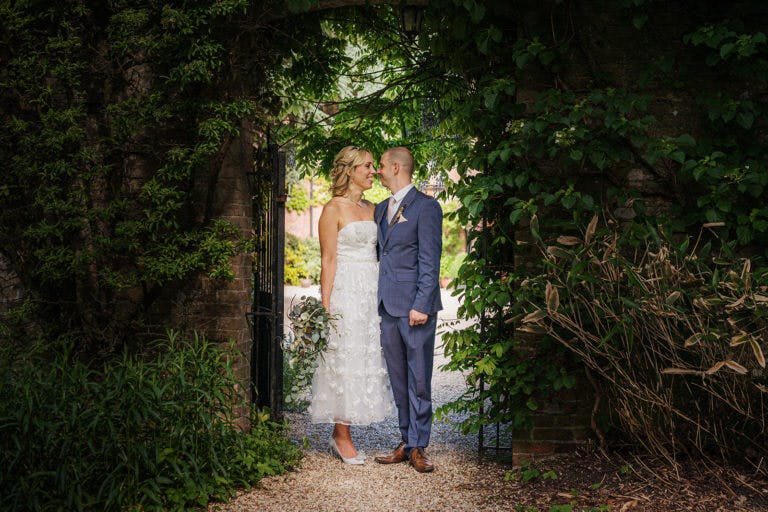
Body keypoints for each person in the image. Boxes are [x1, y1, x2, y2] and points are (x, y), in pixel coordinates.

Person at [308, 145, 393, 465]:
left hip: (371, 290)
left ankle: (344, 430)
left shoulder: (374, 209)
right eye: (367, 166)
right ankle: (341, 435)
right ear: (350, 171)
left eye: (373, 166)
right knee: (344, 357)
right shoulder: (333, 209)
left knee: (365, 356)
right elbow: (328, 260)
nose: (373, 171)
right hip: (346, 290)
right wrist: (326, 306)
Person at [373, 146, 442, 473]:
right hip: (387, 306)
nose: (378, 170)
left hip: (415, 308)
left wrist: (421, 304)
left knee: (419, 379)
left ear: (397, 167)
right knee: (399, 378)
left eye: (381, 165)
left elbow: (430, 260)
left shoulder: (427, 207)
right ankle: (406, 440)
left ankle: (419, 446)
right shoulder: (380, 208)